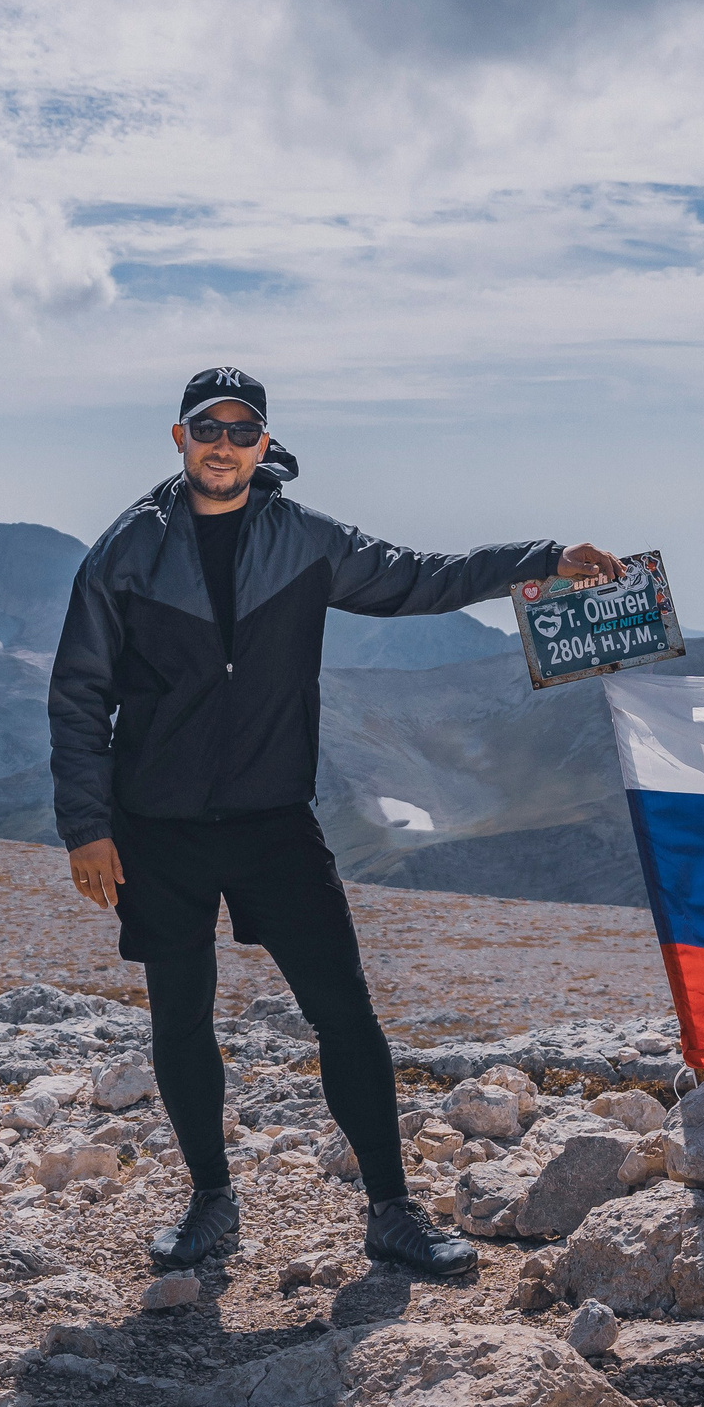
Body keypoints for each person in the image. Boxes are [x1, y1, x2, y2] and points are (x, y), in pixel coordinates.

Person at [49, 368, 618, 1278]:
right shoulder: (128, 549)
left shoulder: (305, 539)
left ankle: (391, 1210)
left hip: (275, 818)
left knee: (345, 1012)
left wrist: (542, 559)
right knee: (180, 1017)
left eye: (242, 430)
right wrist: (87, 826)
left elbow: (420, 578)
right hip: (159, 824)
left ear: (264, 444)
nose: (224, 444)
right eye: (209, 428)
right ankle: (209, 1201)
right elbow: (79, 690)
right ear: (179, 437)